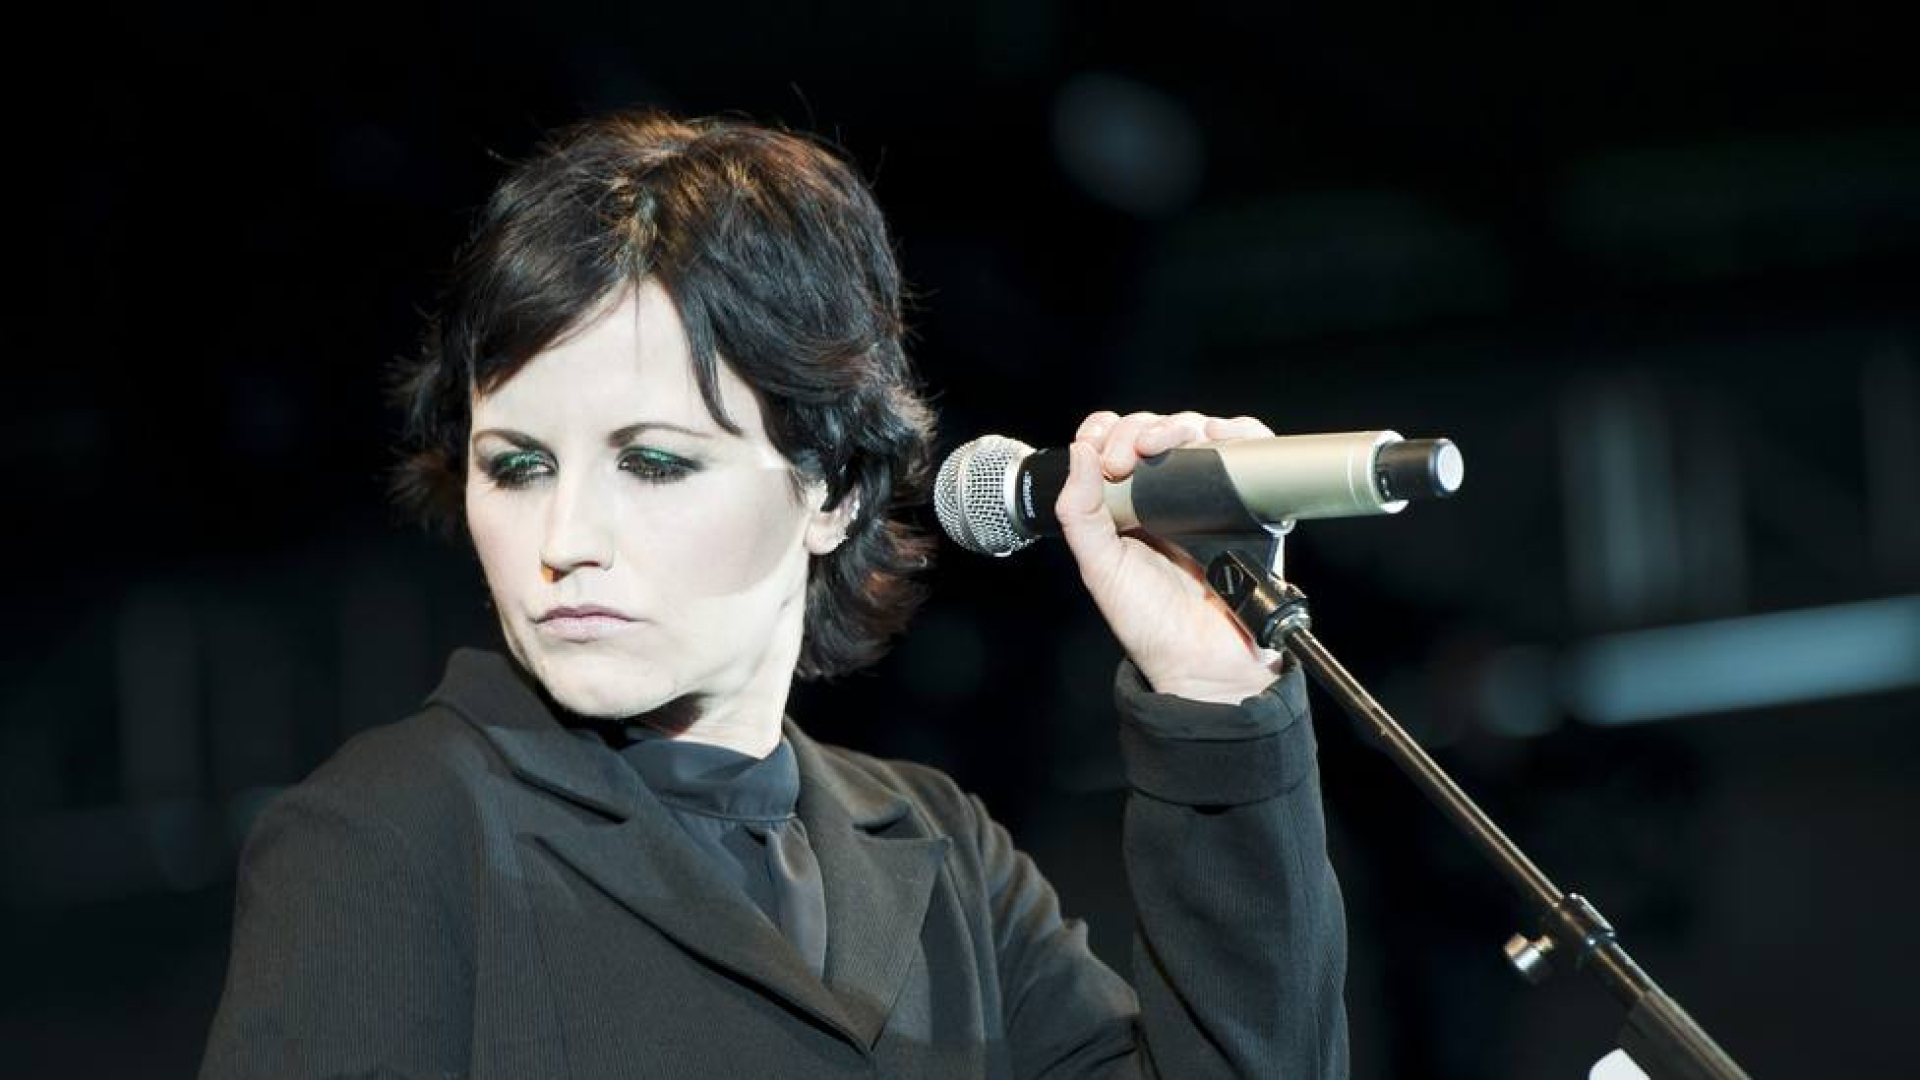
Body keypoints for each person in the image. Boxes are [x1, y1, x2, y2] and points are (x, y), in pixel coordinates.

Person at [198, 110, 1349, 1079]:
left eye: (653, 462)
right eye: (518, 466)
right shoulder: (391, 838)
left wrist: (1215, 702)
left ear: (833, 487)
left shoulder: (943, 854)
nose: (564, 540)